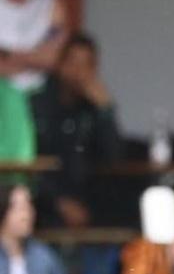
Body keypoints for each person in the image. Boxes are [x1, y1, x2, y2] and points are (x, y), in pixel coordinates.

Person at [29, 33, 122, 227]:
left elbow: (113, 157)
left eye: (86, 65)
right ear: (59, 64)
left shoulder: (93, 108)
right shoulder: (37, 104)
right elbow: (30, 164)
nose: (78, 72)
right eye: (73, 62)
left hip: (89, 202)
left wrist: (106, 111)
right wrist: (59, 202)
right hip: (44, 203)